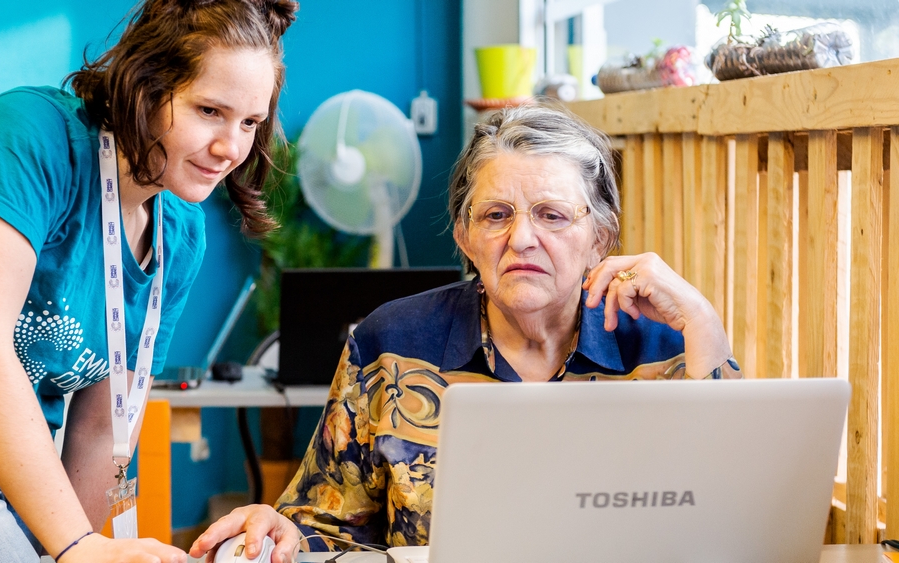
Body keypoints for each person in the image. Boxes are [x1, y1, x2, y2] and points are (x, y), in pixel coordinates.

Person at [189, 103, 741, 562]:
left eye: (552, 215)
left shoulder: (666, 345)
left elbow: (735, 521)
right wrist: (277, 528)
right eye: (496, 215)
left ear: (600, 238)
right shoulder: (390, 343)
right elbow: (324, 529)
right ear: (465, 238)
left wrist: (704, 323)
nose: (522, 238)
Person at [0, 0, 297, 561]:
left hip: (8, 481)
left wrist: (82, 550)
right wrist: (74, 543)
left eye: (250, 122)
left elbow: (105, 428)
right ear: (146, 84)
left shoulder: (180, 231)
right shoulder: (29, 135)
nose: (231, 148)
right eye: (209, 111)